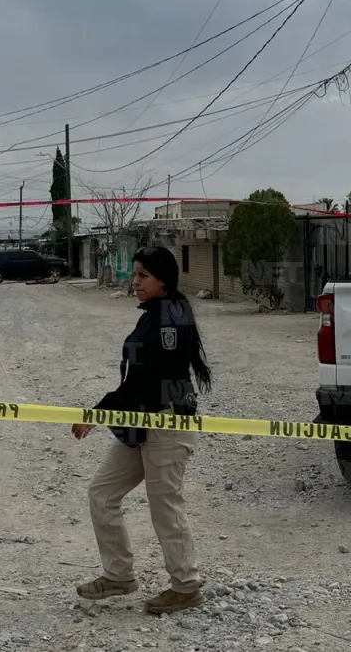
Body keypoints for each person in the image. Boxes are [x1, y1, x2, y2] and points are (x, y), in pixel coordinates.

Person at [72, 245, 213, 615]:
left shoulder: (172, 317)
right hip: (142, 419)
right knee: (102, 493)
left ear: (164, 279)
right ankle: (119, 575)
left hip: (167, 421)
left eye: (143, 276)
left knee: (165, 505)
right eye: (134, 274)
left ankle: (186, 586)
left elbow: (152, 379)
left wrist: (100, 410)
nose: (134, 282)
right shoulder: (154, 314)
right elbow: (140, 379)